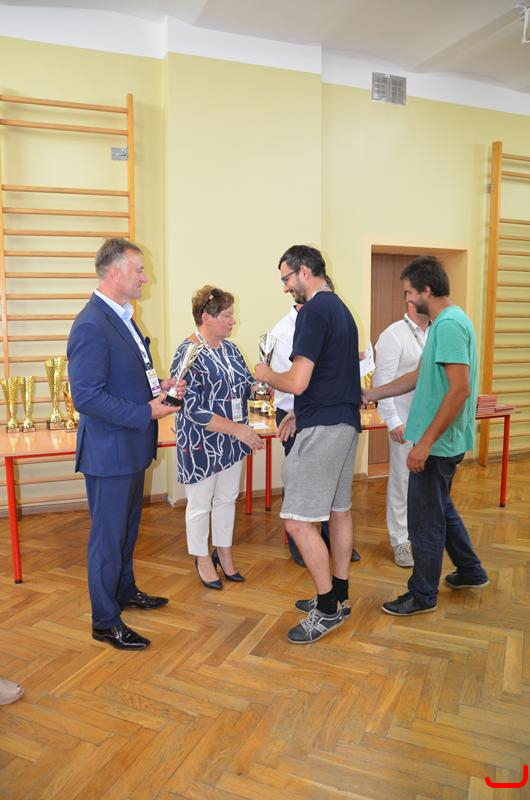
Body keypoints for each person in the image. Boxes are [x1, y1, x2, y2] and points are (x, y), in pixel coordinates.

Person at [67, 238, 184, 650]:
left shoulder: (123, 317)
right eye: (139, 270)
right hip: (109, 451)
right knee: (107, 538)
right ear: (114, 273)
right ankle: (104, 620)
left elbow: (128, 377)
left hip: (130, 447)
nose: (145, 278)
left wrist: (161, 386)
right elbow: (86, 397)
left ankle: (124, 590)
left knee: (126, 530)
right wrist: (145, 412)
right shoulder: (91, 324)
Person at [363, 255, 489, 616]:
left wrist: (426, 443)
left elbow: (459, 390)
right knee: (440, 507)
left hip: (438, 444)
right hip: (439, 441)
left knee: (424, 521)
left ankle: (422, 594)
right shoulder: (445, 323)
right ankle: (470, 570)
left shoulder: (448, 327)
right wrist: (372, 394)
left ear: (426, 290)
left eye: (409, 292)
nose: (407, 298)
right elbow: (419, 376)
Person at [255, 245, 361, 644]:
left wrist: (266, 374)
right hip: (343, 422)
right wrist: (303, 412)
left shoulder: (313, 311)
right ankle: (339, 596)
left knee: (298, 521)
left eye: (286, 278)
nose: (285, 287)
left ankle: (327, 609)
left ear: (303, 272)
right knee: (339, 512)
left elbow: (297, 381)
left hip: (324, 431)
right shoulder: (341, 309)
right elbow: (332, 377)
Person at [171, 286, 263, 589]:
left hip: (231, 441)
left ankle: (224, 551)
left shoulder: (230, 349)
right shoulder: (188, 352)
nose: (233, 320)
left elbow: (245, 384)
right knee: (200, 504)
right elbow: (192, 408)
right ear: (206, 317)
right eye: (227, 315)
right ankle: (201, 558)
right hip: (202, 442)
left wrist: (262, 386)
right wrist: (239, 429)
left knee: (226, 500)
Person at [270, 301, 360, 566]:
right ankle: (302, 547)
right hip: (297, 414)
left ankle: (327, 543)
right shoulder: (283, 332)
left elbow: (311, 377)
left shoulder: (324, 316)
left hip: (320, 415)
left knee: (329, 496)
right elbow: (294, 382)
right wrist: (268, 377)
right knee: (301, 488)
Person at [373, 300, 430, 567]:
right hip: (405, 424)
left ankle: (422, 535)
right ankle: (401, 540)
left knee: (428, 484)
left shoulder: (438, 331)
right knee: (402, 482)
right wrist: (393, 421)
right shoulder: (393, 335)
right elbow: (382, 383)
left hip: (432, 424)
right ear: (409, 301)